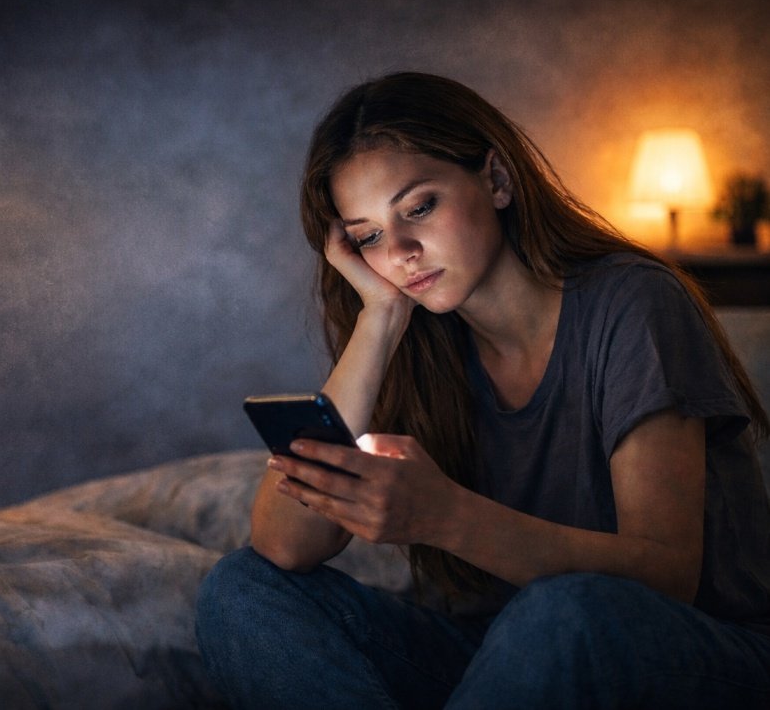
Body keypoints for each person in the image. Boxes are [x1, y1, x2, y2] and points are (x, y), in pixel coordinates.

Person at [195, 72, 770, 708]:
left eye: (418, 208)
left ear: (496, 180)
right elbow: (284, 546)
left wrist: (445, 516)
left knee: (563, 610)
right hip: (493, 654)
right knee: (242, 587)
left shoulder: (632, 303)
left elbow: (666, 577)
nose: (403, 251)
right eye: (369, 237)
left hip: (683, 651)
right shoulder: (414, 339)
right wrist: (380, 318)